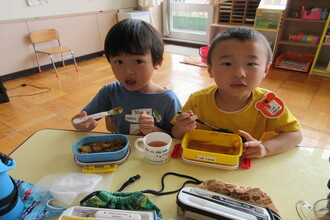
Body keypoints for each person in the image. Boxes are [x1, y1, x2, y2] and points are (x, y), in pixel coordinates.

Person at [171, 26, 303, 159]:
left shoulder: (268, 102)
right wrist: (182, 128)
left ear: (265, 70)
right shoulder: (197, 100)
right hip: (203, 160)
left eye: (251, 64)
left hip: (243, 165)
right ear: (210, 70)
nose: (239, 73)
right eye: (227, 63)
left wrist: (265, 148)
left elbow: (295, 135)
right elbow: (176, 133)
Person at [72, 18, 181, 135]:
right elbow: (83, 118)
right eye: (119, 62)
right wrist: (80, 122)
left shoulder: (168, 100)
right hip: (121, 151)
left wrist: (154, 130)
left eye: (138, 61)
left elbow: (177, 137)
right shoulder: (110, 92)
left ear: (157, 62)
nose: (128, 72)